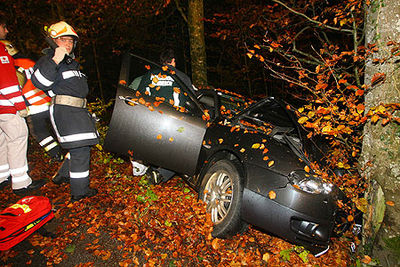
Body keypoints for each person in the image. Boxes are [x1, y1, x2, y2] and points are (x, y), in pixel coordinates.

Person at [31, 21, 98, 202]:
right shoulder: (48, 61)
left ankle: (61, 175)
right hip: (66, 113)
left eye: (70, 41)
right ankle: (79, 192)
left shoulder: (71, 64)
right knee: (80, 151)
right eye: (63, 40)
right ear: (54, 41)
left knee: (81, 147)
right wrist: (55, 59)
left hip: (78, 112)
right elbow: (40, 83)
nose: (68, 44)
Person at [134, 48, 197, 184]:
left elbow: (139, 95)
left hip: (151, 118)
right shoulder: (181, 76)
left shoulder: (150, 75)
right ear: (173, 61)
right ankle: (160, 173)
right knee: (184, 150)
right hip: (174, 121)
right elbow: (192, 100)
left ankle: (144, 168)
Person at [0, 15, 45, 194]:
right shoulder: (1, 51)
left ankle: (2, 176)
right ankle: (21, 183)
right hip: (7, 107)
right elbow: (7, 82)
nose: (7, 31)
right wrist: (21, 106)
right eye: (4, 27)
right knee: (17, 139)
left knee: (1, 142)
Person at [0, 40, 64, 162]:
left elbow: (16, 86)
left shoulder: (12, 64)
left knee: (39, 132)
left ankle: (56, 155)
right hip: (48, 99)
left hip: (33, 104)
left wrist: (19, 105)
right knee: (57, 128)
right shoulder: (28, 62)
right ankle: (66, 151)